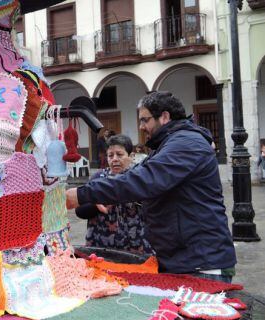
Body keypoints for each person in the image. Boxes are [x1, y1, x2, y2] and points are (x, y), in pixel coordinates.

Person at [66, 91, 236, 282]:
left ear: (164, 117)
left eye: (145, 120)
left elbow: (143, 180)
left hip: (201, 262)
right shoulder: (169, 144)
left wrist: (83, 194)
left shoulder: (186, 143)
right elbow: (136, 175)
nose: (141, 126)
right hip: (182, 259)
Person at [76, 134, 154, 255]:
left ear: (131, 156)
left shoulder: (140, 178)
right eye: (110, 155)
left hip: (137, 247)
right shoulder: (98, 179)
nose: (114, 159)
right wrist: (95, 204)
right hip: (102, 247)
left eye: (119, 154)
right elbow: (80, 211)